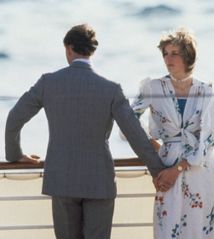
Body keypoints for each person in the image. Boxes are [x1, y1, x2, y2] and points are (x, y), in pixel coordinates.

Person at [5, 24, 167, 239]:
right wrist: (158, 171)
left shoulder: (48, 83)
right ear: (92, 51)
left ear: (69, 49)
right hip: (99, 182)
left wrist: (15, 155)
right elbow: (134, 134)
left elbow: (14, 119)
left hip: (62, 180)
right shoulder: (111, 89)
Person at [131, 28, 214, 239]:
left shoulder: (205, 89)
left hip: (202, 169)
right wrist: (157, 148)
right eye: (165, 53)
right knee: (168, 229)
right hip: (166, 167)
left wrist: (179, 167)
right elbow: (129, 123)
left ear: (188, 56)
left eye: (174, 53)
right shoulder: (154, 87)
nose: (168, 58)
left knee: (201, 229)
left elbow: (208, 138)